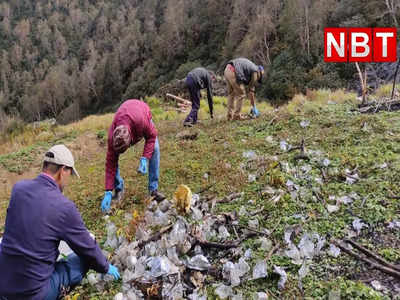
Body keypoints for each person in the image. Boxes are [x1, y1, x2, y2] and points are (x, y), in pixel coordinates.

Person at [0, 145, 120, 300]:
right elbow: (87, 248)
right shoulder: (64, 207)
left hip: (4, 286)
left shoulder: (18, 189)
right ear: (63, 170)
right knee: (82, 258)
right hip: (33, 294)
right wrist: (105, 266)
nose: (68, 180)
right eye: (69, 173)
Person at [101, 99, 165, 213]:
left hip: (141, 111)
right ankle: (118, 188)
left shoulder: (141, 122)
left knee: (154, 148)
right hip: (126, 111)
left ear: (131, 139)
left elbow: (152, 136)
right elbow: (110, 164)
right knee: (112, 160)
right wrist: (108, 191)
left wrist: (145, 157)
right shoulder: (112, 137)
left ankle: (153, 190)